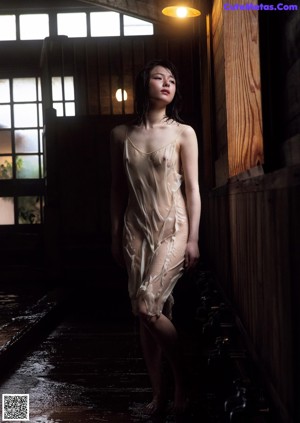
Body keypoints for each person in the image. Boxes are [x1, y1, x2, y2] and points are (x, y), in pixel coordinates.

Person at [110, 59, 201, 416]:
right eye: (158, 77)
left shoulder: (183, 132)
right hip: (135, 230)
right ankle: (158, 395)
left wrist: (194, 238)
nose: (167, 83)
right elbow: (117, 189)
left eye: (173, 80)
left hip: (174, 227)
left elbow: (193, 189)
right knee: (143, 313)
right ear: (142, 84)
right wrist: (114, 232)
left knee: (148, 304)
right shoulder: (120, 134)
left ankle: (183, 382)